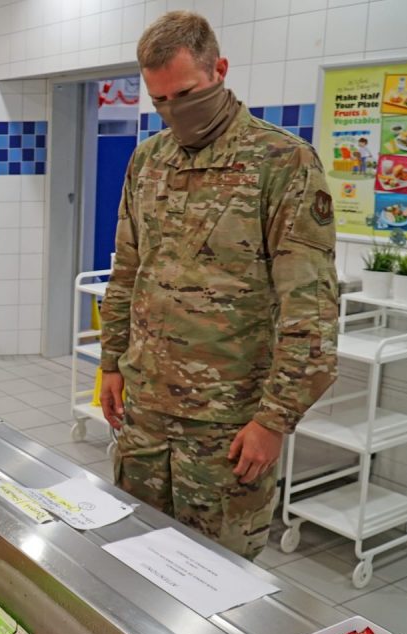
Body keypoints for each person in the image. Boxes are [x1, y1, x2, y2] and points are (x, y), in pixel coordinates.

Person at [99, 11, 339, 561]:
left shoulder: (282, 162)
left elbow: (312, 309)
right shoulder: (148, 160)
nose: (172, 111)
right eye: (159, 100)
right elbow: (127, 270)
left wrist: (273, 420)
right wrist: (111, 361)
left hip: (228, 426)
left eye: (183, 94)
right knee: (134, 557)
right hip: (146, 414)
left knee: (214, 574)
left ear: (219, 70)